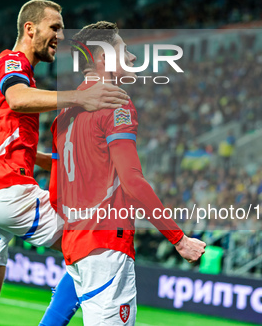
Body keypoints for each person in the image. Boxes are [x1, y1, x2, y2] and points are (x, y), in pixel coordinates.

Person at [0, 0, 130, 326]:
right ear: (30, 30)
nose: (61, 34)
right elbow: (17, 98)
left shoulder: (1, 74)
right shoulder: (12, 62)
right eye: (55, 27)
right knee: (94, 239)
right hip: (7, 191)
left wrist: (52, 162)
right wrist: (80, 97)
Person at [54, 22, 206, 325]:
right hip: (107, 244)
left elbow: (57, 190)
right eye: (125, 49)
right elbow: (132, 181)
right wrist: (178, 238)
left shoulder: (64, 114)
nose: (134, 57)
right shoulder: (114, 101)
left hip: (76, 245)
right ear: (102, 57)